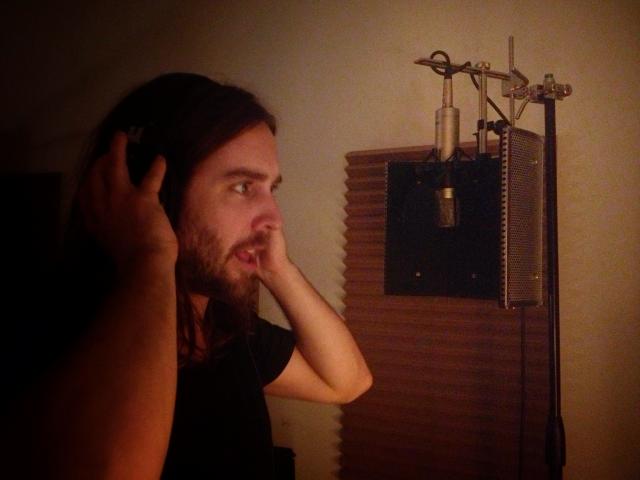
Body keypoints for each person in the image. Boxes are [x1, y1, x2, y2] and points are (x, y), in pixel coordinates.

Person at [5, 73, 371, 479]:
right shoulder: (49, 333)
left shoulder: (228, 331)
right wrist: (150, 255)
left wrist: (277, 268)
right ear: (157, 194)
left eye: (272, 189)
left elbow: (346, 382)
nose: (274, 219)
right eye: (243, 186)